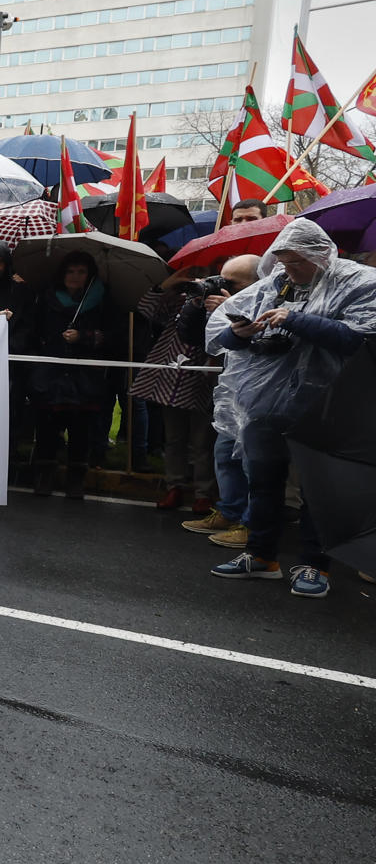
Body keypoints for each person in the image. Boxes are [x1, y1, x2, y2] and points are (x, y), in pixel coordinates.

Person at [205, 220, 376, 597]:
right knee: (263, 481)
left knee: (319, 488)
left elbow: (361, 340)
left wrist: (295, 319)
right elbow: (219, 337)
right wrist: (240, 333)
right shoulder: (275, 284)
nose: (289, 270)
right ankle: (261, 555)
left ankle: (315, 565)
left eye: (297, 262)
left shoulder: (358, 282)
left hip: (327, 405)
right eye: (282, 261)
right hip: (264, 404)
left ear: (320, 256)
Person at [12, 251, 112, 498]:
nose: (75, 277)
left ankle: (76, 478)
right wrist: (38, 365)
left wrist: (85, 337)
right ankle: (44, 474)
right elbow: (33, 333)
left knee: (81, 430)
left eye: (81, 272)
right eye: (70, 271)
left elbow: (114, 335)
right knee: (46, 428)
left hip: (86, 376)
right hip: (50, 374)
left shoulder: (103, 299)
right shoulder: (46, 297)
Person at [181, 255, 260, 539]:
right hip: (229, 390)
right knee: (224, 453)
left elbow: (260, 340)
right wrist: (198, 306)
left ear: (255, 282)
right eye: (221, 278)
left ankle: (252, 526)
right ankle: (229, 513)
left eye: (232, 282)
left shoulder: (267, 300)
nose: (222, 285)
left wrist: (230, 308)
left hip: (259, 392)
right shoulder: (221, 303)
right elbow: (194, 337)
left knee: (254, 462)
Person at [131, 266, 218, 513]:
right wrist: (170, 283)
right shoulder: (181, 298)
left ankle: (203, 493)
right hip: (173, 373)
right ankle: (174, 487)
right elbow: (146, 308)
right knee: (174, 438)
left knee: (203, 441)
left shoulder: (224, 298)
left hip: (206, 374)